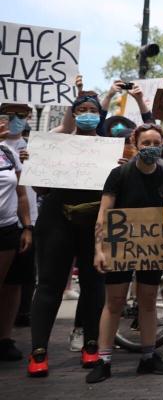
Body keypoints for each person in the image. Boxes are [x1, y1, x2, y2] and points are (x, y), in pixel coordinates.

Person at [86, 123, 163, 383]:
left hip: (153, 247)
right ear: (135, 144)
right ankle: (104, 361)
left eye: (156, 143)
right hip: (119, 247)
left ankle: (148, 357)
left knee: (148, 301)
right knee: (114, 302)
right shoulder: (119, 174)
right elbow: (103, 213)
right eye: (146, 143)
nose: (151, 147)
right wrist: (98, 249)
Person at [27, 94, 112, 377]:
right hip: (56, 220)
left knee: (93, 284)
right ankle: (38, 351)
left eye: (93, 110)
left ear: (100, 115)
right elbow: (40, 190)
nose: (88, 114)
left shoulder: (111, 149)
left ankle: (91, 345)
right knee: (49, 286)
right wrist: (35, 164)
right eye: (82, 110)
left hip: (94, 223)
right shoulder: (55, 146)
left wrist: (124, 168)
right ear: (72, 115)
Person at [0, 112, 33, 361]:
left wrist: (27, 227)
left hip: (9, 229)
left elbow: (21, 193)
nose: (5, 123)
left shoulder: (8, 154)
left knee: (11, 285)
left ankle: (4, 338)